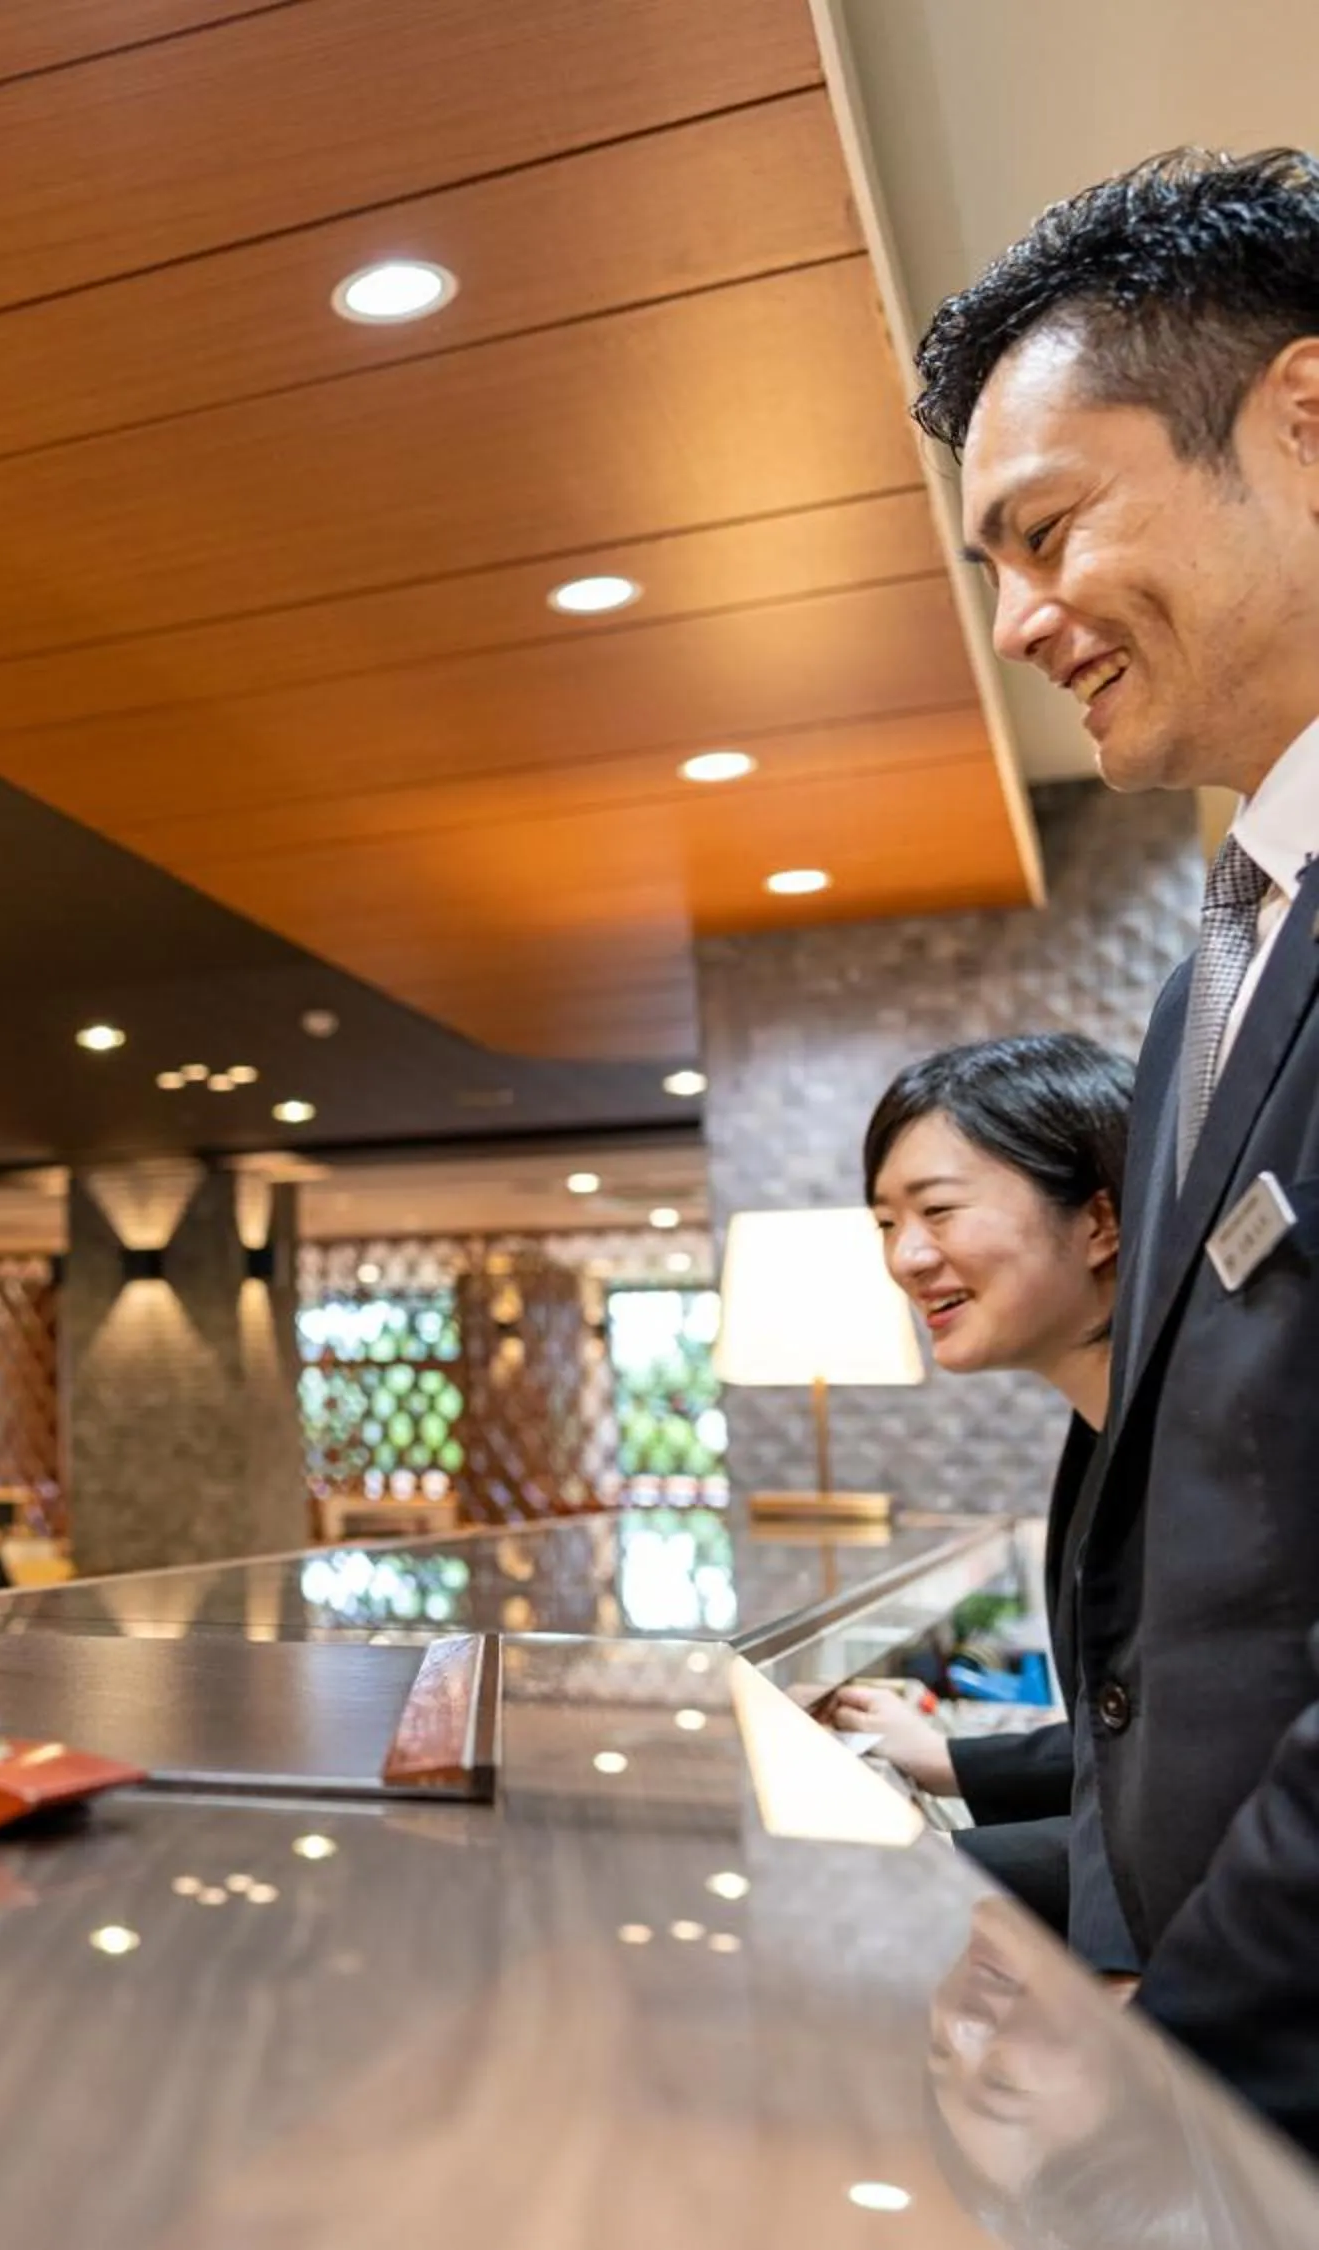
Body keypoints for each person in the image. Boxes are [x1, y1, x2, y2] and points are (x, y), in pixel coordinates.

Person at [911, 145, 1319, 2148]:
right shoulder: (1210, 978)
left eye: (1048, 530)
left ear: (1304, 424)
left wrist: (1191, 2033)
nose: (1020, 621)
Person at [827, 1032, 1131, 1932]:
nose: (905, 1259)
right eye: (886, 1224)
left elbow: (1218, 1793)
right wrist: (954, 1764)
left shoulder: (1225, 1435)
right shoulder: (1100, 1424)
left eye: (939, 1211)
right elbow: (1140, 1738)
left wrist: (921, 1867)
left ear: (1100, 1220)